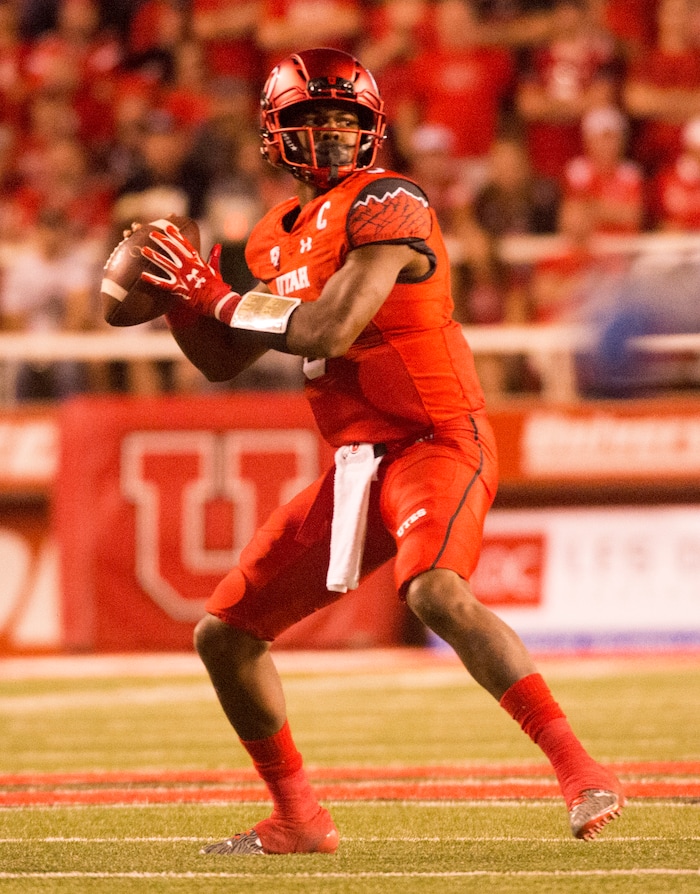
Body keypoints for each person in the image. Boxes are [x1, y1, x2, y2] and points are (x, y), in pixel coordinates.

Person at [119, 47, 625, 855]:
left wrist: (214, 292)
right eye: (309, 120)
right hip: (357, 465)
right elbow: (221, 362)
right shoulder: (267, 235)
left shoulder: (391, 200)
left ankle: (580, 769)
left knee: (432, 591)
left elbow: (328, 329)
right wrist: (183, 301)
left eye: (342, 119)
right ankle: (298, 818)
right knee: (224, 635)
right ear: (273, 134)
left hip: (438, 440)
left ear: (372, 130)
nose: (327, 134)